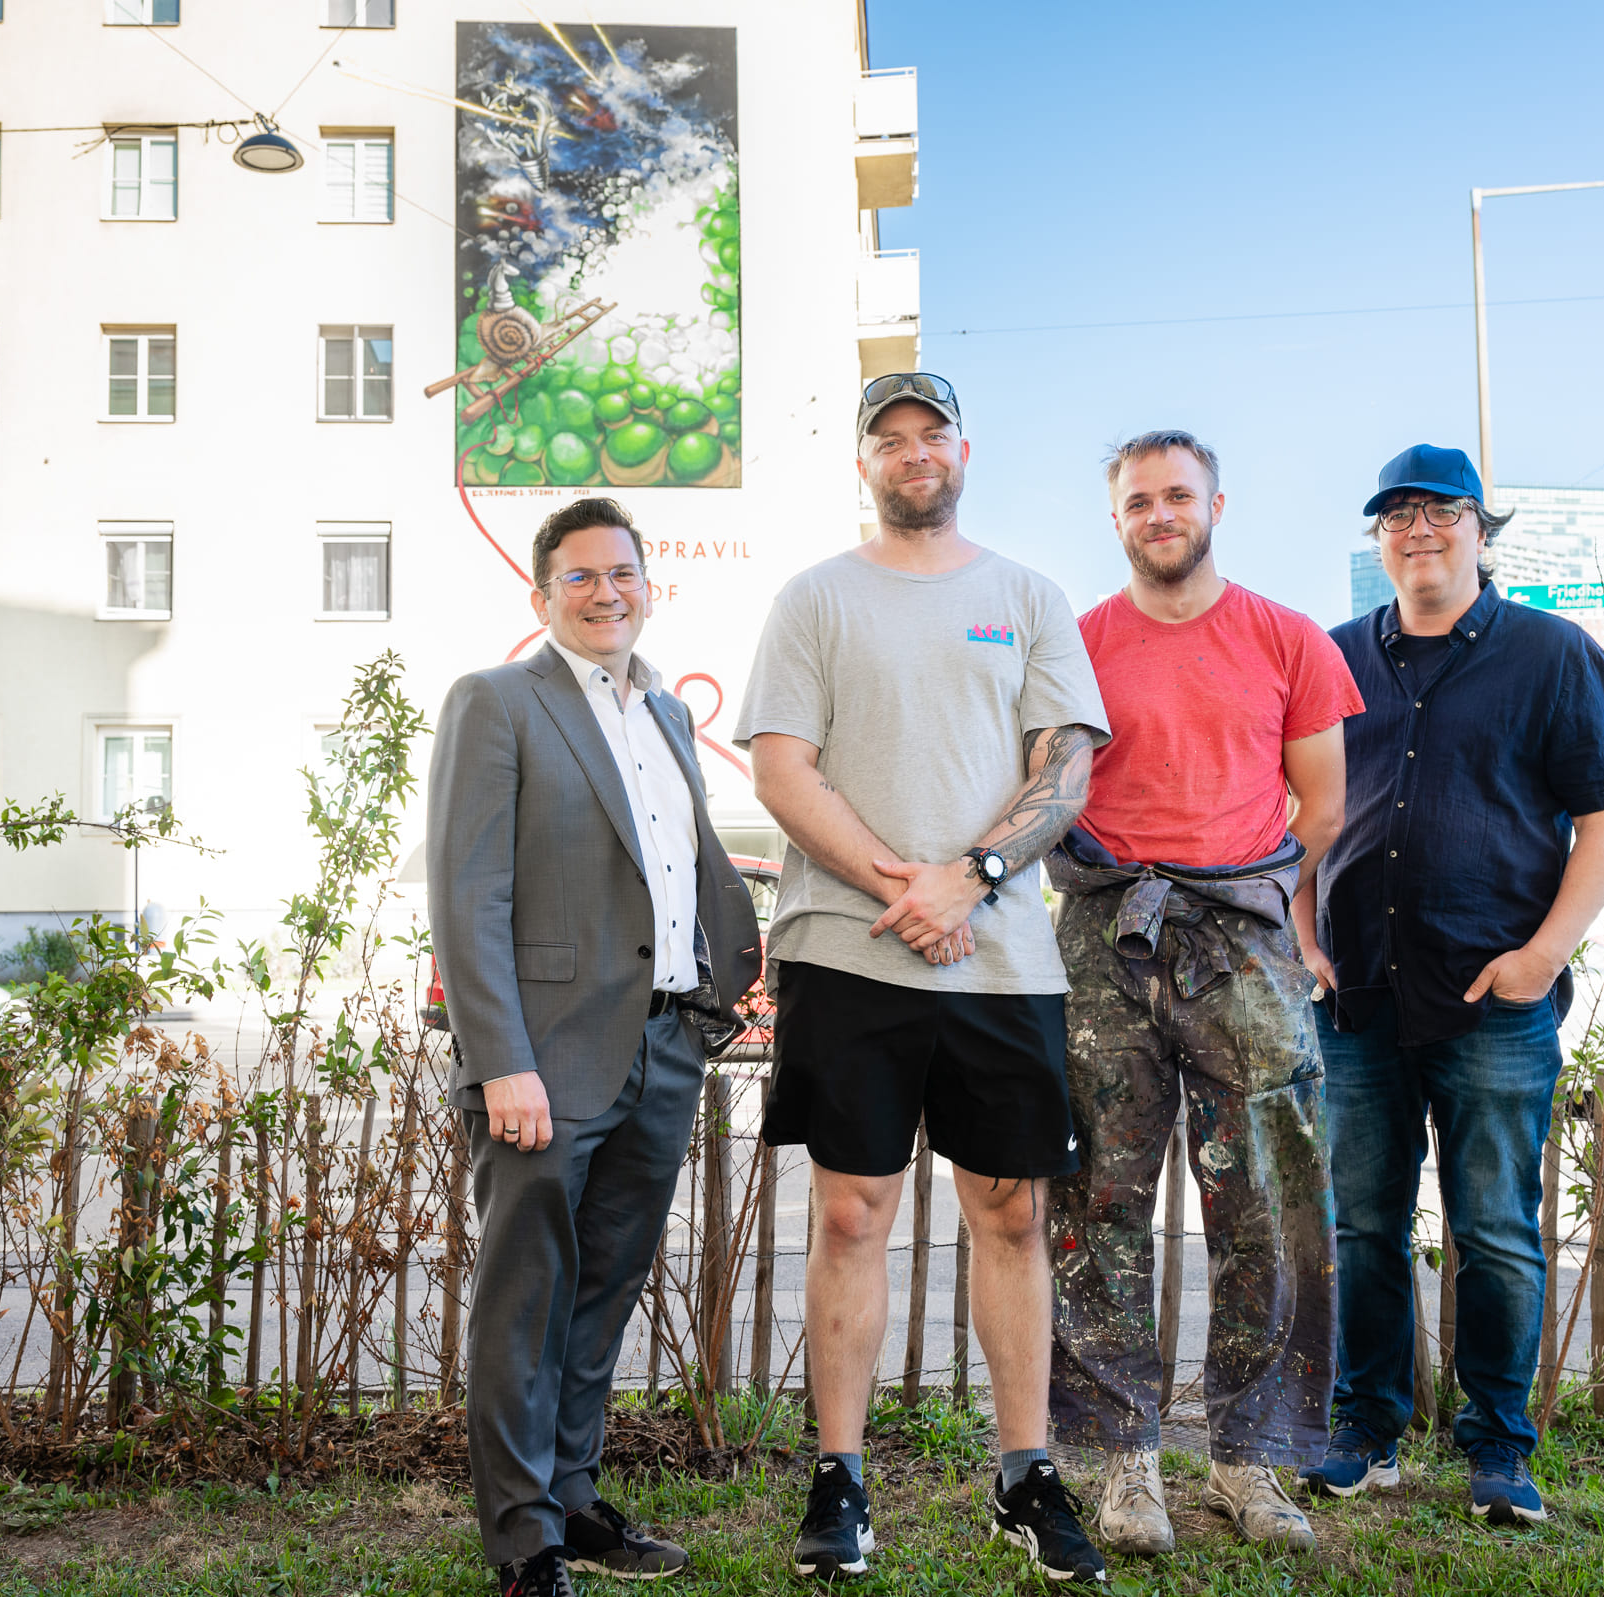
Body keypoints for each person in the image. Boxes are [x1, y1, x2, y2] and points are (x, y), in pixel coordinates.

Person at [737, 372, 1113, 1584]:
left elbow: (1066, 769)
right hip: (848, 952)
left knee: (1012, 1214)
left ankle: (1025, 1474)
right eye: (889, 438)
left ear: (963, 451)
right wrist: (909, 889)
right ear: (865, 462)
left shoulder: (1027, 597)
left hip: (1000, 963)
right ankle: (839, 1478)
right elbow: (782, 770)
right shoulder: (815, 599)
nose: (913, 452)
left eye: (931, 434)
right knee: (853, 1213)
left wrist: (973, 877)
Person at [1305, 446, 1604, 1526]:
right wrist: (1301, 937)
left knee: (1497, 1229)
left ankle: (1500, 1445)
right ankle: (1365, 1428)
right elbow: (1294, 818)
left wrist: (1543, 956)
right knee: (1361, 1225)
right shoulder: (1331, 659)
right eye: (1397, 515)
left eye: (1442, 511)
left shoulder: (1552, 654)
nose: (1419, 529)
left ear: (1480, 530)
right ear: (1379, 539)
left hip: (1493, 1000)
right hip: (1355, 997)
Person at [427, 497, 764, 1597]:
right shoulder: (497, 701)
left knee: (602, 1291)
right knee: (526, 1301)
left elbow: (679, 869)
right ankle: (524, 1543)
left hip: (662, 1048)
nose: (605, 591)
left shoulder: (665, 713)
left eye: (622, 573)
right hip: (545, 1059)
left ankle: (571, 1499)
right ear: (543, 595)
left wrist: (719, 985)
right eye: (580, 575)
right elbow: (468, 895)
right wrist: (501, 1059)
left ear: (647, 588)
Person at [1047, 430, 1360, 1556]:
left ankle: (1249, 1459)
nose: (1159, 514)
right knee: (1098, 1204)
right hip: (1106, 934)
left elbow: (1321, 806)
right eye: (1138, 500)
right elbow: (1049, 785)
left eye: (1177, 494)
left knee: (1268, 1201)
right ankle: (1124, 1461)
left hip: (1244, 941)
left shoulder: (1289, 638)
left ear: (1216, 505)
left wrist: (1241, 889)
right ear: (1117, 519)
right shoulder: (1077, 643)